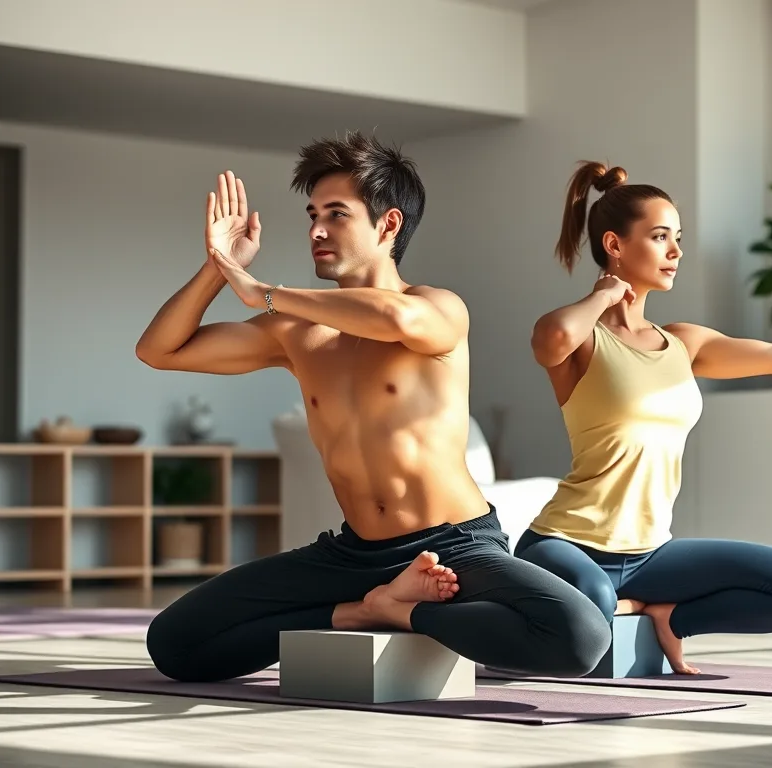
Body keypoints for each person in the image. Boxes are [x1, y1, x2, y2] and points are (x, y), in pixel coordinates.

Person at [136, 132, 611, 683]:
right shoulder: (293, 331)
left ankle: (406, 609)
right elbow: (159, 351)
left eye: (337, 214)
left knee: (580, 636)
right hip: (351, 557)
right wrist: (220, 266)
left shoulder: (436, 307)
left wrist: (262, 291)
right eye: (312, 213)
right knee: (175, 643)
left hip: (451, 546)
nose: (316, 229)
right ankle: (368, 609)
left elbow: (394, 322)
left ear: (388, 225)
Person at [518, 161, 772, 675]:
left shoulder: (683, 343)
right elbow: (548, 340)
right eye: (659, 237)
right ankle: (613, 609)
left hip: (651, 553)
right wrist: (605, 293)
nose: (676, 252)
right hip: (566, 545)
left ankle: (671, 618)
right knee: (594, 597)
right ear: (615, 244)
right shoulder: (585, 339)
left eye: (678, 238)